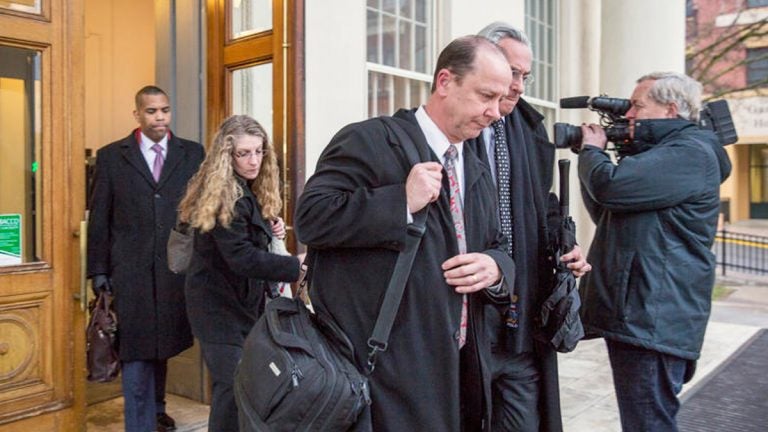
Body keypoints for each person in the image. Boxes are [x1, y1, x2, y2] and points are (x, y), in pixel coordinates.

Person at [295, 35, 515, 431]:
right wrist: (400, 201)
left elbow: (498, 246)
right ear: (445, 82)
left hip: (460, 367)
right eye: (486, 95)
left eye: (501, 100)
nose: (496, 112)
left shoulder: (476, 168)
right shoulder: (370, 139)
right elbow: (312, 217)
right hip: (385, 371)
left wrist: (495, 268)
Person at [577, 72, 732, 432]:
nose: (629, 114)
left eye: (638, 105)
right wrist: (597, 159)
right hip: (645, 314)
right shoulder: (672, 154)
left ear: (671, 109)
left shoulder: (689, 153)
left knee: (649, 423)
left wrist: (592, 153)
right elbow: (609, 212)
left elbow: (610, 187)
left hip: (654, 317)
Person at [467, 22, 591, 432]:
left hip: (519, 319)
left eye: (524, 75)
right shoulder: (449, 126)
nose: (518, 85)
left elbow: (542, 205)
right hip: (466, 316)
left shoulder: (529, 130)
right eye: (510, 72)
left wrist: (565, 245)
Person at [87, 85, 205, 432]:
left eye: (165, 110)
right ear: (136, 113)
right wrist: (98, 270)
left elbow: (202, 209)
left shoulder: (192, 153)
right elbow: (100, 217)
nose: (160, 118)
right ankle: (138, 424)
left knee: (161, 345)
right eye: (152, 111)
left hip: (174, 271)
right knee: (136, 350)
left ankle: (156, 410)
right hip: (129, 273)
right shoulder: (112, 156)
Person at [178, 114, 304, 431]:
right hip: (217, 310)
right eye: (244, 153)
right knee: (231, 390)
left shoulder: (244, 190)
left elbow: (245, 240)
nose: (253, 160)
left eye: (259, 152)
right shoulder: (225, 195)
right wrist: (296, 265)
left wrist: (269, 228)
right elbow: (241, 258)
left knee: (243, 388)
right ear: (227, 155)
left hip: (241, 307)